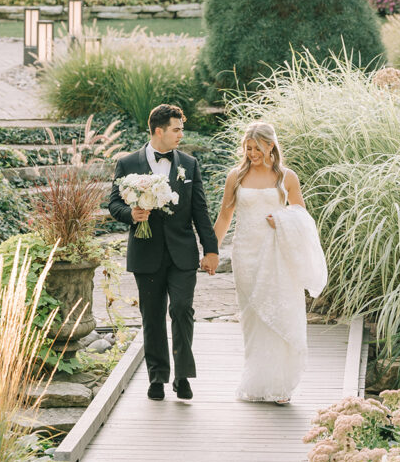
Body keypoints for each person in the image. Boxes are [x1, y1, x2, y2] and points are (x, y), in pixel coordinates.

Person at [108, 103, 219, 401]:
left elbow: (200, 211)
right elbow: (113, 204)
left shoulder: (189, 164)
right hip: (146, 253)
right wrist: (131, 214)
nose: (181, 134)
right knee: (153, 316)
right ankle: (157, 377)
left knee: (182, 310)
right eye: (176, 129)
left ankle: (182, 376)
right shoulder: (128, 163)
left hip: (182, 253)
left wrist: (211, 250)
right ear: (159, 131)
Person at [214, 121, 327, 405]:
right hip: (245, 254)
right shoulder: (236, 177)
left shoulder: (286, 177)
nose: (251, 153)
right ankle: (256, 382)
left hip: (277, 253)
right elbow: (225, 218)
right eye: (248, 148)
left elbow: (301, 214)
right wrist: (211, 251)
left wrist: (282, 218)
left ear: (271, 146)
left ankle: (280, 386)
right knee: (253, 318)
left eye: (257, 148)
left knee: (280, 313)